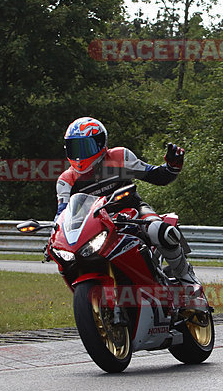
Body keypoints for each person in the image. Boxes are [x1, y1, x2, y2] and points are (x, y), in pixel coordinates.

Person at [56, 116, 201, 291]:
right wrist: (54, 237)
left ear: (101, 143)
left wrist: (172, 167)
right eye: (75, 148)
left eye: (86, 147)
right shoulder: (66, 180)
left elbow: (156, 176)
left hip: (134, 211)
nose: (80, 155)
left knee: (161, 231)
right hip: (97, 226)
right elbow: (62, 215)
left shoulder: (120, 157)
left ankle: (185, 275)